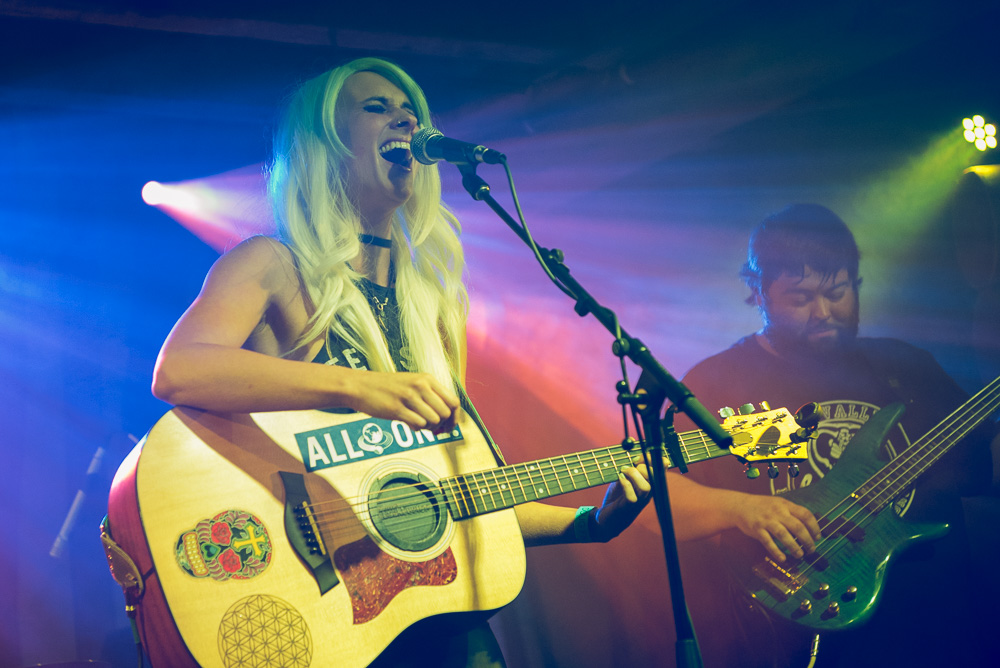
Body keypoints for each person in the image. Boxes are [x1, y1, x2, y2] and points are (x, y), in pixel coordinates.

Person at [150, 57, 653, 668]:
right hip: (323, 609)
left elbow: (450, 499)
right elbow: (179, 370)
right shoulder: (270, 264)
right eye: (376, 107)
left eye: (410, 108)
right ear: (324, 145)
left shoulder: (430, 304)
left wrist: (588, 524)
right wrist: (358, 388)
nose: (405, 117)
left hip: (428, 618)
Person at [666, 204, 997, 667]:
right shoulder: (719, 384)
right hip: (801, 633)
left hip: (940, 630)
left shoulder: (905, 367)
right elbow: (654, 494)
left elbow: (987, 466)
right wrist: (741, 508)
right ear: (758, 293)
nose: (824, 312)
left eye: (838, 292)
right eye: (800, 297)